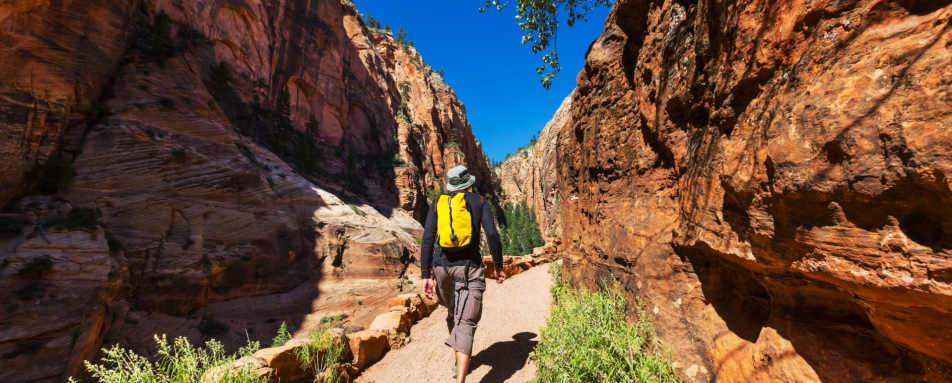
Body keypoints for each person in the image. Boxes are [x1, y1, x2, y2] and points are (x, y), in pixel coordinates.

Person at [420, 165, 505, 383]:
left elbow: (428, 239)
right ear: (469, 184)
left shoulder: (438, 203)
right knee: (466, 322)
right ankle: (460, 378)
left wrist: (425, 274)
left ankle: (458, 359)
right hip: (469, 268)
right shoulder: (479, 201)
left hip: (441, 269)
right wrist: (498, 266)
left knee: (453, 313)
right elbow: (492, 235)